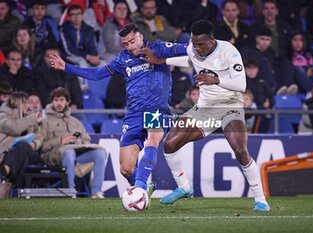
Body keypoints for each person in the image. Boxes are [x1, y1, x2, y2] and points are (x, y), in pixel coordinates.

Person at [141, 20, 270, 211]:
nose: (197, 48)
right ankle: (184, 187)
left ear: (212, 39)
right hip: (204, 108)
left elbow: (241, 84)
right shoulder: (194, 49)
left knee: (240, 150)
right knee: (169, 144)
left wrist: (215, 79)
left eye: (201, 44)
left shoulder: (229, 51)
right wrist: (162, 61)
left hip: (230, 106)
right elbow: (189, 59)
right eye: (194, 43)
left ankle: (261, 200)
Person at [49, 23, 187, 199]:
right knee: (126, 168)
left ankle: (139, 190)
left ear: (140, 36)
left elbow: (187, 49)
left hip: (157, 109)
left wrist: (212, 48)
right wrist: (66, 67)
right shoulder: (123, 59)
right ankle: (144, 186)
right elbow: (97, 74)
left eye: (132, 41)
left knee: (153, 141)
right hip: (133, 115)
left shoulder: (158, 49)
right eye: (126, 44)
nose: (130, 46)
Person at [32, 87, 107, 198]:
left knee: (100, 152)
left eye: (61, 100)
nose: (59, 103)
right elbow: (42, 146)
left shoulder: (75, 122)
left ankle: (96, 191)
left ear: (67, 102)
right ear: (52, 102)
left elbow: (86, 140)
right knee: (69, 152)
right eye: (56, 100)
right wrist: (60, 141)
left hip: (76, 154)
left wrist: (79, 142)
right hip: (53, 156)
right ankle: (70, 190)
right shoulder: (45, 121)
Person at [0, 92, 42, 189]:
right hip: (8, 155)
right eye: (26, 103)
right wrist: (31, 119)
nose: (29, 105)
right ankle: (18, 189)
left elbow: (40, 135)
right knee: (21, 151)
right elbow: (14, 127)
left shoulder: (29, 116)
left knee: (23, 146)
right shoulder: (2, 116)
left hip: (31, 153)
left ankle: (6, 170)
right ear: (19, 103)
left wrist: (35, 144)